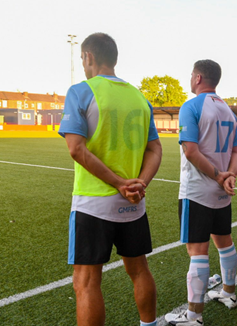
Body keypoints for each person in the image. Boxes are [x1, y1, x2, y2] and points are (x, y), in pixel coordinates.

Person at [58, 33, 162, 326]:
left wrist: (118, 183)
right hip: (134, 203)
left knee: (86, 282)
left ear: (89, 57)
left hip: (93, 203)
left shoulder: (81, 91)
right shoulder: (139, 97)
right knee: (139, 270)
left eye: (82, 58)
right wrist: (139, 182)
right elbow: (155, 148)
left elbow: (76, 148)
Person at [165, 60, 237, 326]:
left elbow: (191, 151)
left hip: (197, 191)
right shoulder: (228, 111)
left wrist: (220, 176)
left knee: (197, 250)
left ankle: (194, 315)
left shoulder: (191, 106)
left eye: (191, 75)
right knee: (224, 241)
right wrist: (229, 175)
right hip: (221, 193)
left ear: (198, 78)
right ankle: (229, 293)